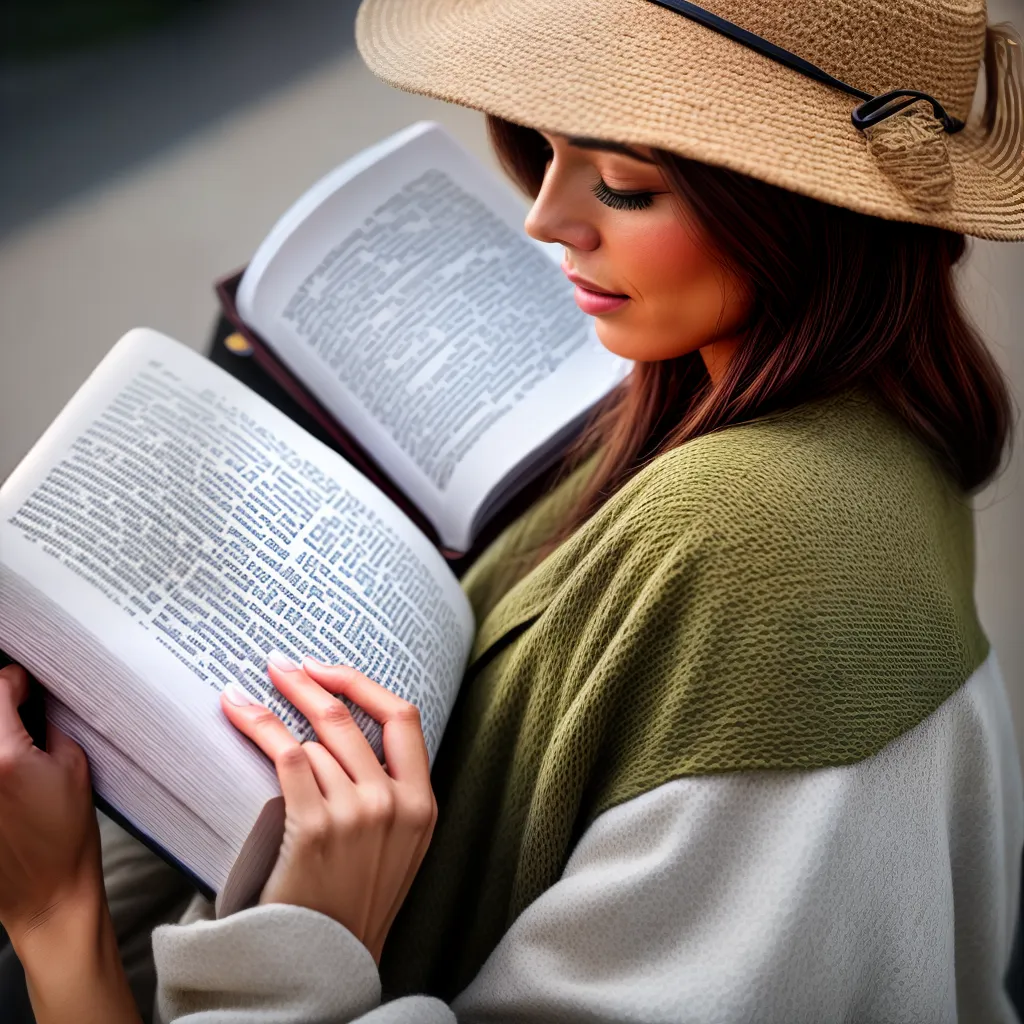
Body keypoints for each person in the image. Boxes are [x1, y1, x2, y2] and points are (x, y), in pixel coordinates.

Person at [2, 0, 1024, 1020]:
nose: (544, 218)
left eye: (625, 185)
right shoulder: (762, 433)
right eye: (546, 150)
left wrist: (69, 917)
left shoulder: (773, 545)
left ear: (799, 209)